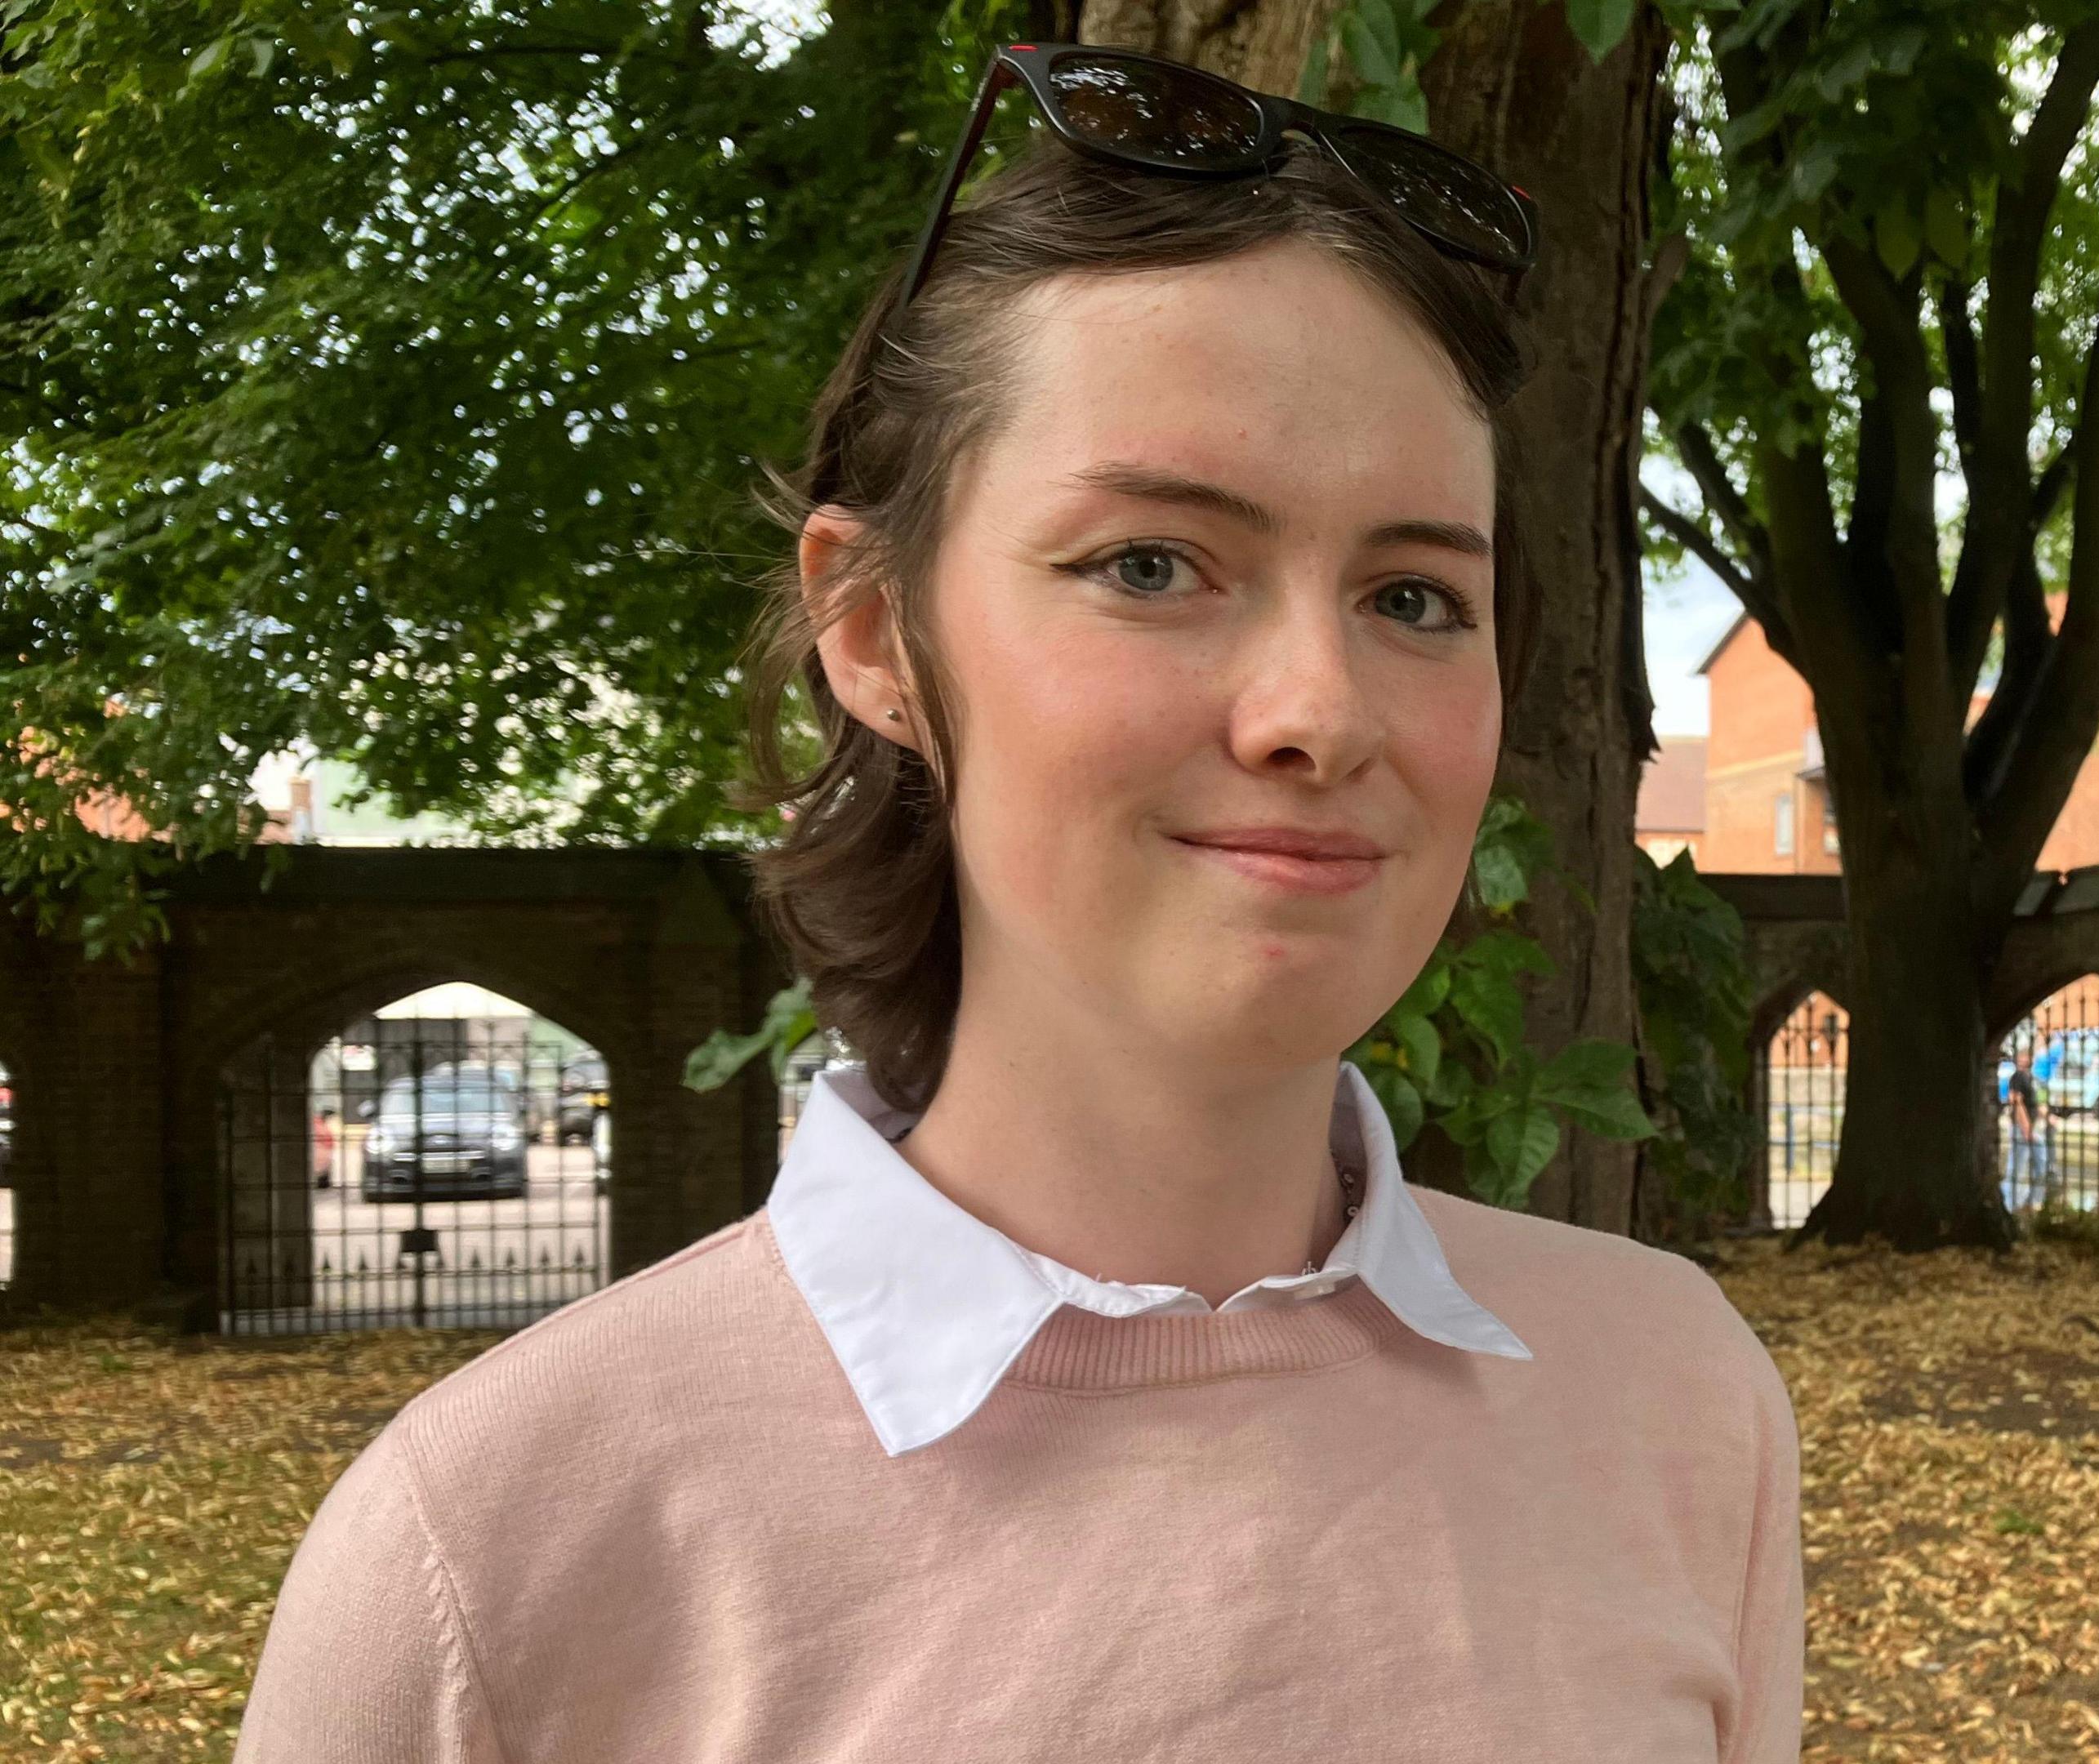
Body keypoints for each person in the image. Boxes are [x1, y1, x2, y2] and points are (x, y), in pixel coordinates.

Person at [233, 45, 1801, 1764]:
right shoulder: (496, 1560)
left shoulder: (1673, 1401)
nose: (1319, 709)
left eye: (1416, 595)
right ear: (875, 633)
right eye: (1149, 564)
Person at [2002, 1054, 2052, 1211]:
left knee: (2041, 1164)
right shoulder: (2017, 1077)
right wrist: (2026, 1128)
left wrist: (2049, 1118)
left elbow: (2036, 1103)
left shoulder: (2031, 1078)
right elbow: (2016, 1102)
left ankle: (2032, 1201)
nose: (2025, 1059)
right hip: (2022, 1128)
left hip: (2033, 1127)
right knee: (2017, 1167)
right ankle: (2009, 1204)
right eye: (2022, 1057)